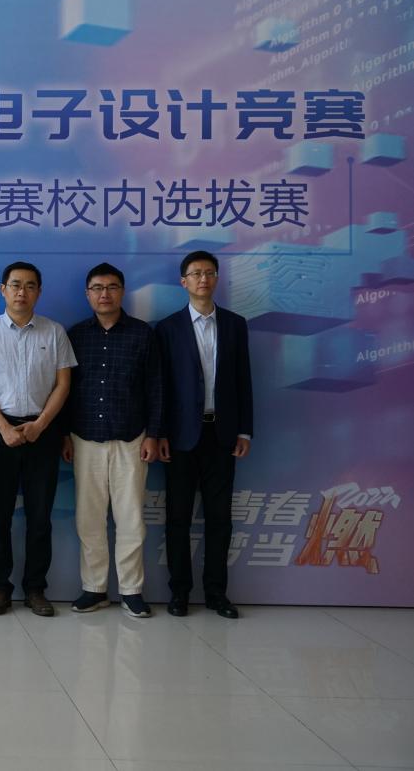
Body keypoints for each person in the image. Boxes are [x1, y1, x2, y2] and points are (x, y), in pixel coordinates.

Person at [0, 262, 76, 617]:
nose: (22, 292)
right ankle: (0, 588)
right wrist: (3, 427)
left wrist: (41, 424)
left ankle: (35, 589)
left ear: (39, 292)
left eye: (30, 286)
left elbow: (63, 384)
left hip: (42, 432)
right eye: (15, 285)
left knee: (40, 516)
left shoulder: (54, 332)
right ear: (3, 289)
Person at [156, 250, 253, 620]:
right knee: (178, 518)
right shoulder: (167, 328)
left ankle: (216, 593)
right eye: (195, 273)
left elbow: (243, 379)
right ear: (183, 282)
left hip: (222, 435)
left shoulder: (235, 324)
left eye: (209, 272)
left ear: (217, 278)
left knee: (219, 519)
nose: (203, 279)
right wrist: (159, 433)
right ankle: (179, 593)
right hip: (180, 438)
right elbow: (160, 387)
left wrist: (244, 430)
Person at [62, 262, 162, 619]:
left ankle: (132, 590)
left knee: (130, 518)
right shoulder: (75, 335)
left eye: (112, 287)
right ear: (87, 294)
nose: (104, 294)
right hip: (84, 437)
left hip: (131, 438)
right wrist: (64, 434)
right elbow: (64, 390)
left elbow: (155, 388)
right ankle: (94, 588)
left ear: (122, 292)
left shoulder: (142, 334)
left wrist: (153, 434)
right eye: (97, 288)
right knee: (88, 519)